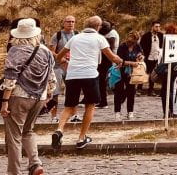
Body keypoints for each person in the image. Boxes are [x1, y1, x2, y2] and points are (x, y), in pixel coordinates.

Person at [51, 15, 123, 150]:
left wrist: (66, 62)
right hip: (90, 75)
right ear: (98, 26)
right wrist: (120, 61)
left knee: (69, 106)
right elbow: (112, 56)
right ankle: (81, 137)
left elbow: (59, 55)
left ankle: (59, 130)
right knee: (90, 105)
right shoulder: (99, 38)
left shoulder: (74, 38)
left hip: (72, 75)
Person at [0, 18, 56, 175]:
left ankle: (14, 172)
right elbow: (51, 77)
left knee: (14, 137)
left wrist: (4, 102)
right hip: (39, 97)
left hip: (19, 96)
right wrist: (49, 94)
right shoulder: (46, 51)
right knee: (29, 130)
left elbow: (10, 78)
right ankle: (35, 164)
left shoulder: (15, 50)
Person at [47, 15, 77, 123]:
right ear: (63, 23)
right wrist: (61, 58)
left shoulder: (77, 35)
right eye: (68, 21)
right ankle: (54, 117)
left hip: (72, 67)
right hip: (58, 66)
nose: (70, 23)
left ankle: (74, 115)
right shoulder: (58, 35)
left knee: (73, 91)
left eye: (73, 21)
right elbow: (51, 51)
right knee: (55, 92)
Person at [113, 30, 144, 120]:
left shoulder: (137, 46)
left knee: (131, 92)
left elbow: (141, 54)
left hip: (132, 73)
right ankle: (117, 112)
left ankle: (130, 112)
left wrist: (141, 57)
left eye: (133, 42)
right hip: (120, 71)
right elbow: (119, 61)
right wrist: (132, 63)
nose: (131, 43)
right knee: (118, 92)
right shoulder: (122, 47)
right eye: (130, 42)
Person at [97, 19, 119, 108]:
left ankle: (103, 101)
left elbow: (110, 46)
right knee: (103, 81)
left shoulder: (112, 34)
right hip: (106, 60)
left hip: (108, 60)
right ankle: (102, 100)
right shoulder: (108, 34)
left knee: (104, 81)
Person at [139, 21, 164, 96]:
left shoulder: (161, 35)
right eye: (156, 26)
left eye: (159, 26)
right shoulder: (146, 36)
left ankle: (151, 90)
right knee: (144, 72)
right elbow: (141, 46)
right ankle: (139, 89)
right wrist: (143, 54)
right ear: (152, 27)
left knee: (153, 74)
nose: (158, 28)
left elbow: (162, 45)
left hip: (156, 57)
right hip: (147, 57)